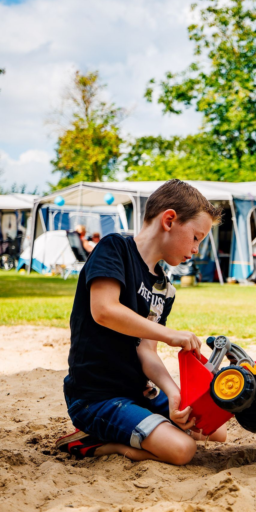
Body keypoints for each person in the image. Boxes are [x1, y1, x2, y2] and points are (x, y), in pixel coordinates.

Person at [55, 179, 227, 464]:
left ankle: (142, 426)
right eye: (196, 237)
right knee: (183, 449)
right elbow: (104, 310)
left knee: (215, 430)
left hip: (138, 393)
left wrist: (174, 394)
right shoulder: (115, 248)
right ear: (169, 220)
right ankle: (94, 443)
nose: (197, 248)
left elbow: (146, 351)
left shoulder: (164, 287)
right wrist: (170, 334)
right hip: (96, 397)